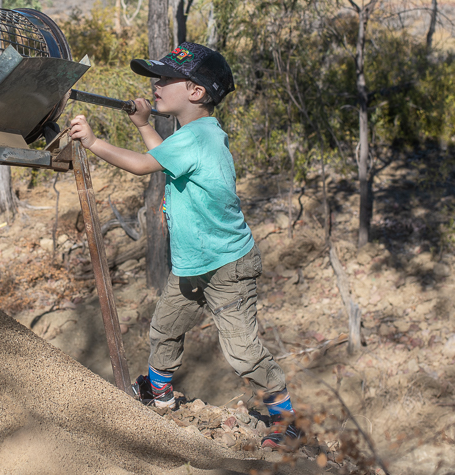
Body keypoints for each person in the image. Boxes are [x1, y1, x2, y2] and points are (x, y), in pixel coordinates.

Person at [70, 42, 303, 450]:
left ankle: (285, 421)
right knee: (165, 328)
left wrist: (92, 142)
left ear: (196, 92)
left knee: (242, 353)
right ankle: (157, 393)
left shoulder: (198, 138)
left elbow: (145, 164)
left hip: (228, 266)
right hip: (194, 263)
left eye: (165, 79)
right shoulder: (194, 134)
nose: (156, 85)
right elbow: (164, 157)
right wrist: (145, 123)